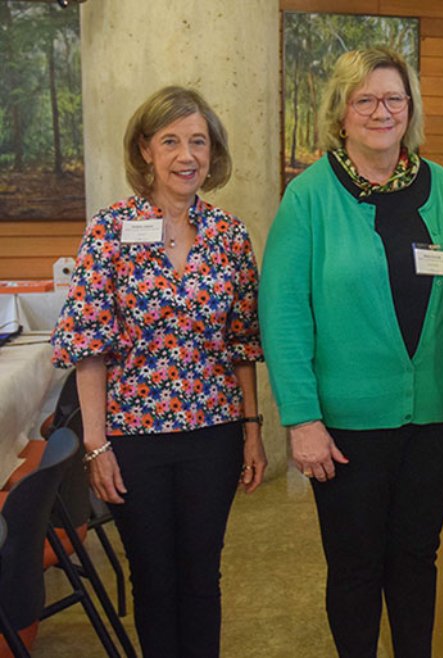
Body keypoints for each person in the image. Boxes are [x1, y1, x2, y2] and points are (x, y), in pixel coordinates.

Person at [259, 48, 443, 658]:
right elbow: (284, 313)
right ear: (341, 113)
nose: (382, 112)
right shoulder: (309, 195)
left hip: (433, 416)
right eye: (365, 100)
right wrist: (301, 418)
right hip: (346, 426)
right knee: (354, 566)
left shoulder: (441, 185)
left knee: (417, 558)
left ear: (411, 109)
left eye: (394, 99)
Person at [51, 86, 265, 657]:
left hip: (213, 434)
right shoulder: (109, 230)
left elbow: (242, 343)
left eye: (198, 141)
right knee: (153, 575)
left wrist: (252, 429)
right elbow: (89, 346)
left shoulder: (229, 236)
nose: (186, 155)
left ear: (213, 151)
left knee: (202, 575)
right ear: (145, 149)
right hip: (132, 439)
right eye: (170, 141)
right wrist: (95, 444)